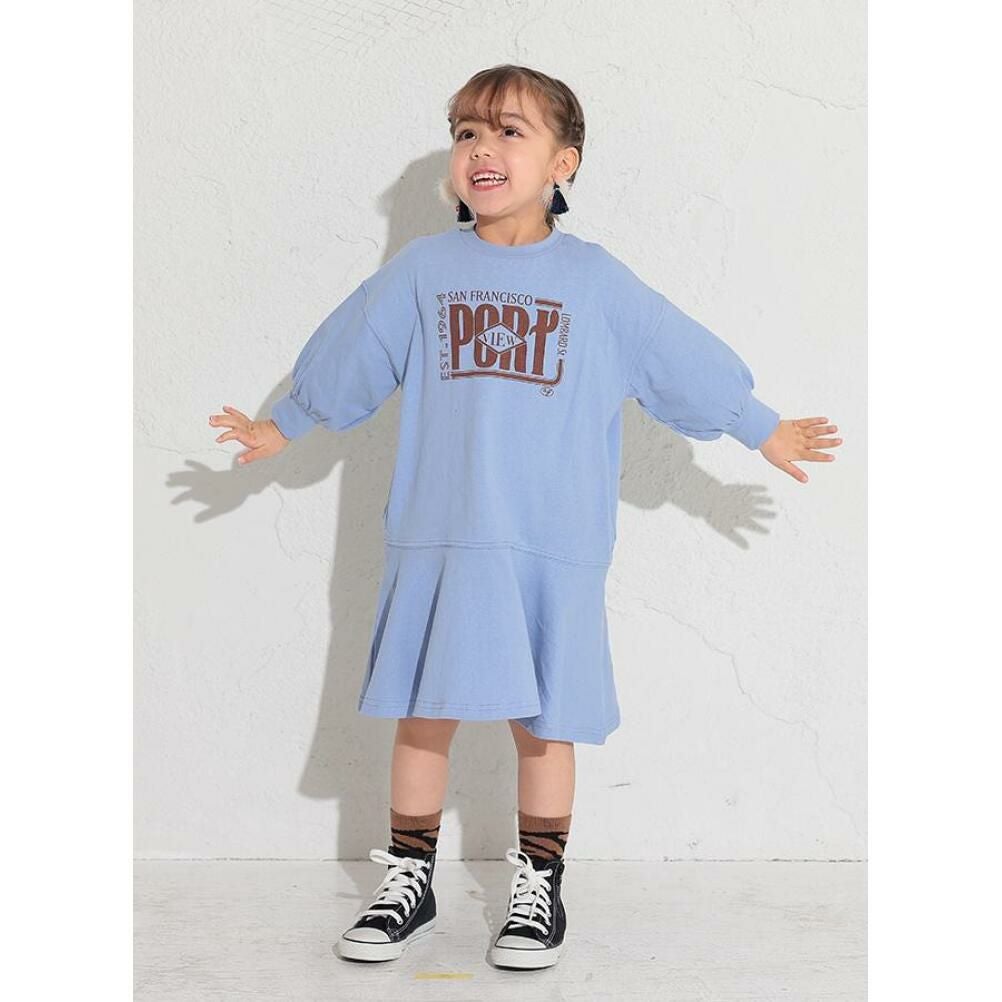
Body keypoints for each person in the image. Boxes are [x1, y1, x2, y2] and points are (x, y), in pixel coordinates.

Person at [208, 64, 842, 971]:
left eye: (510, 131)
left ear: (563, 163)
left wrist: (759, 426)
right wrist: (286, 424)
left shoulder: (596, 282)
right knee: (423, 714)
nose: (482, 148)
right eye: (466, 132)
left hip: (553, 543)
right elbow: (355, 352)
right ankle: (410, 879)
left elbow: (675, 354)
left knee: (545, 722)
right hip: (440, 535)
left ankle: (538, 885)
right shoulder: (423, 272)